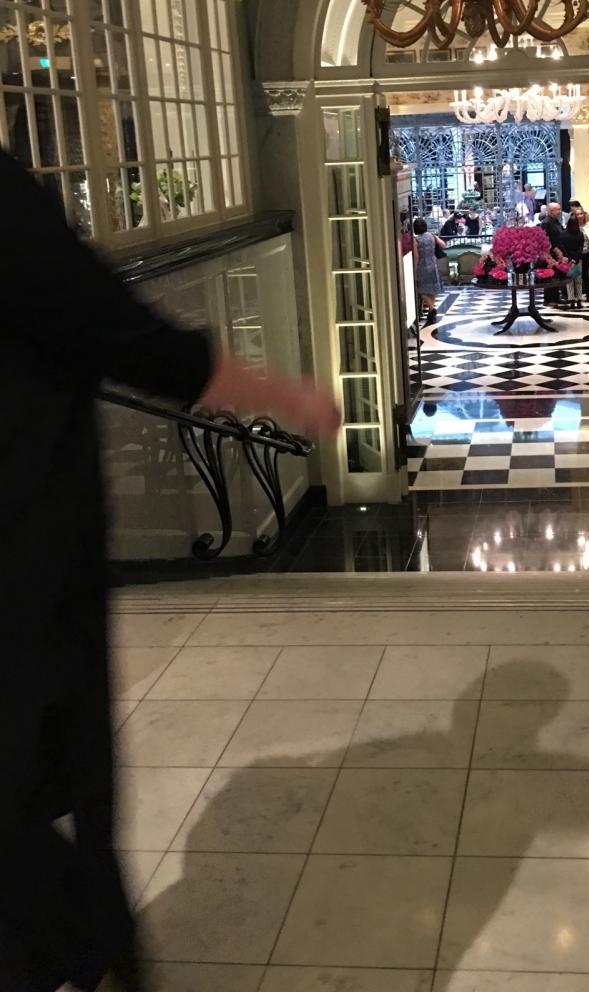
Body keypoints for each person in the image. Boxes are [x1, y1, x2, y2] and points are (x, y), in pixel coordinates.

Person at [0, 148, 340, 992]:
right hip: (26, 537)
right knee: (50, 759)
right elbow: (108, 324)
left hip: (28, 538)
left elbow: (98, 320)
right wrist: (277, 395)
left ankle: (86, 934)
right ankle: (88, 933)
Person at [412, 216, 443, 325]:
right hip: (433, 264)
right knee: (432, 290)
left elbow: (416, 257)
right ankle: (431, 312)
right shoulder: (431, 236)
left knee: (422, 290)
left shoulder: (416, 240)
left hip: (423, 267)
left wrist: (414, 269)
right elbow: (443, 245)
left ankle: (432, 309)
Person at [541, 202, 567, 307]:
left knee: (556, 277)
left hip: (558, 253)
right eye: (558, 209)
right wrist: (555, 251)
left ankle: (556, 297)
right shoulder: (546, 223)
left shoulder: (555, 221)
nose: (560, 211)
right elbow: (545, 240)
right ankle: (549, 299)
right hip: (551, 254)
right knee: (550, 276)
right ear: (551, 211)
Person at [562, 212, 586, 310]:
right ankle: (579, 300)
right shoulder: (580, 234)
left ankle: (571, 300)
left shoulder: (563, 234)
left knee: (569, 281)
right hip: (577, 260)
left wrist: (569, 258)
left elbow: (563, 248)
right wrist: (575, 259)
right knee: (578, 281)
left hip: (567, 261)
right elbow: (580, 248)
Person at [575, 208, 589, 299]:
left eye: (581, 214)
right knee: (577, 273)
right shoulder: (573, 226)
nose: (579, 216)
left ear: (584, 215)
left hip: (587, 252)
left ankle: (588, 293)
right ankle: (578, 294)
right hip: (577, 253)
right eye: (577, 214)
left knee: (586, 273)